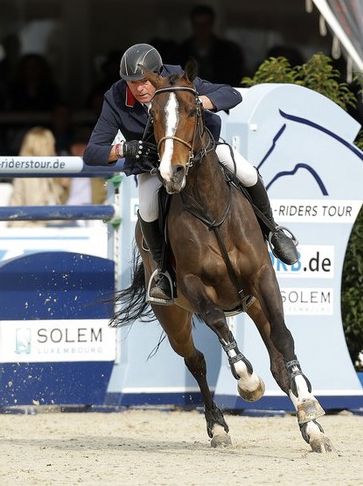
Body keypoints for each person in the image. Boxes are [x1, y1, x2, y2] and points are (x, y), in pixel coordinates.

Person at [83, 43, 297, 304]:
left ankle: (274, 232)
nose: (138, 88)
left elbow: (231, 95)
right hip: (153, 164)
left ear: (157, 74)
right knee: (149, 208)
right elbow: (92, 152)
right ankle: (163, 273)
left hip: (199, 155)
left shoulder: (178, 79)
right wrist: (122, 149)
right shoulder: (116, 98)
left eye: (143, 81)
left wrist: (199, 101)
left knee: (248, 173)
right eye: (131, 83)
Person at [8, 126, 69, 227]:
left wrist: (65, 188)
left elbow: (59, 207)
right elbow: (39, 211)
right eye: (52, 145)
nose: (54, 149)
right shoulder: (30, 176)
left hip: (47, 228)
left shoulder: (49, 175)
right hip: (31, 229)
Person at [175, 5, 246, 86]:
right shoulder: (181, 52)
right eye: (197, 25)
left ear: (211, 25)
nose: (201, 29)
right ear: (192, 25)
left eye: (204, 25)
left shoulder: (228, 52)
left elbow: (235, 80)